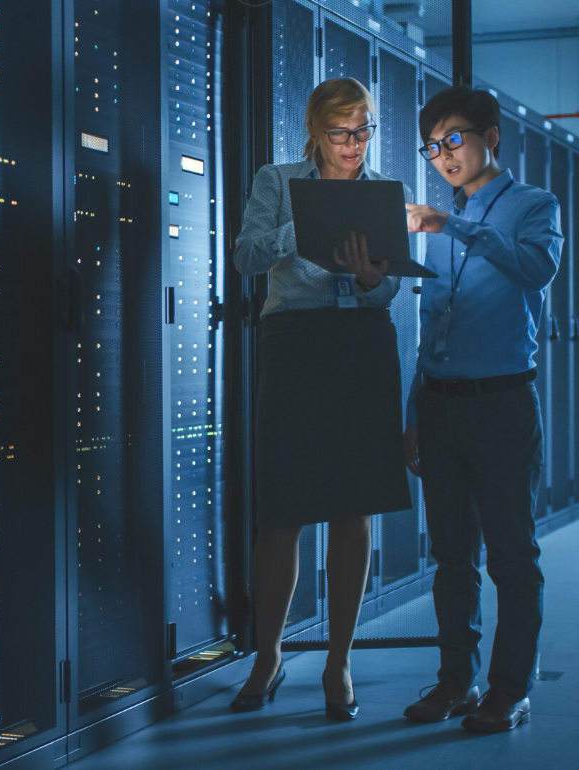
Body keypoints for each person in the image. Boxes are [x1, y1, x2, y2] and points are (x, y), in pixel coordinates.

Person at [231, 78, 413, 721]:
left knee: (353, 506)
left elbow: (388, 292)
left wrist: (369, 280)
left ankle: (339, 660)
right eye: (341, 134)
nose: (354, 145)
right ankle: (268, 655)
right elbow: (246, 256)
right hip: (295, 345)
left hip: (360, 345)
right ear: (314, 132)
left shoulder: (389, 193)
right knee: (282, 509)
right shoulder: (276, 180)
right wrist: (300, 227)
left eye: (364, 131)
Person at [403, 86, 563, 732]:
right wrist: (415, 410)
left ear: (491, 135)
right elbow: (432, 324)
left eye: (455, 139)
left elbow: (536, 269)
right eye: (434, 146)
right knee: (451, 557)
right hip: (440, 409)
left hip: (502, 405)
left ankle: (509, 690)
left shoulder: (534, 206)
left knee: (512, 558)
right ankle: (454, 683)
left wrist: (455, 225)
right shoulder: (437, 228)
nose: (444, 156)